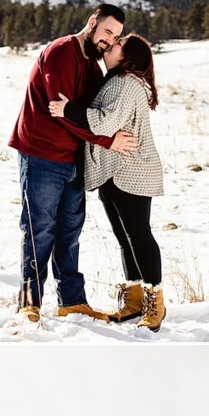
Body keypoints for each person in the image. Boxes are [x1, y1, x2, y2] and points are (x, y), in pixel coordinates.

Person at [8, 10, 138, 324]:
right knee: (38, 231)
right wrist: (108, 141)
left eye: (114, 37)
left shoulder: (93, 68)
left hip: (74, 161)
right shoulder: (60, 53)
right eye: (106, 32)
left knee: (70, 233)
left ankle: (72, 302)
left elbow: (89, 115)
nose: (108, 41)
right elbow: (63, 113)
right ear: (93, 23)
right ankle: (29, 302)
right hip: (41, 157)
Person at [63, 33, 165, 332]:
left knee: (139, 236)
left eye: (119, 44)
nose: (112, 45)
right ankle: (134, 298)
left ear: (128, 58)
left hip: (131, 171)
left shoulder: (125, 83)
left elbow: (105, 122)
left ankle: (155, 301)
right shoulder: (115, 81)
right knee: (125, 238)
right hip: (114, 171)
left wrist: (67, 109)